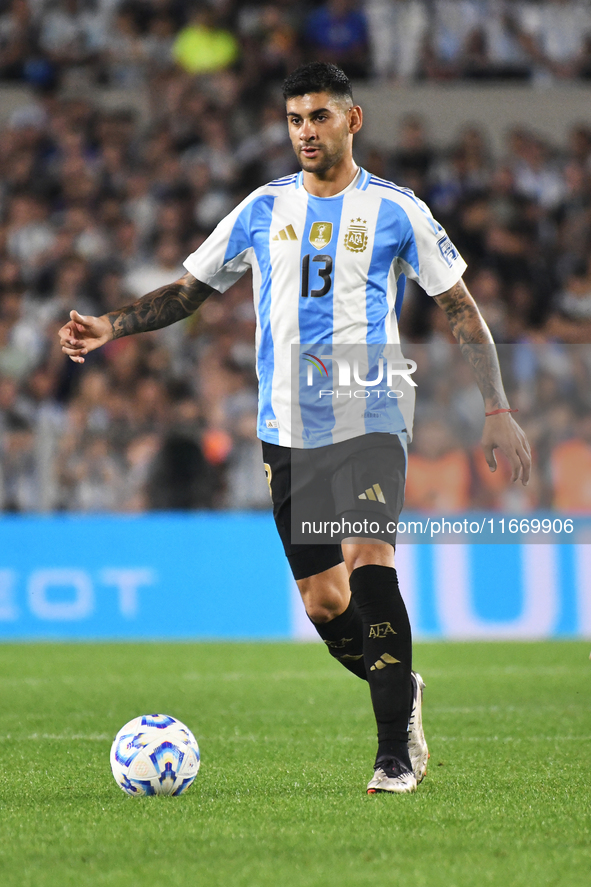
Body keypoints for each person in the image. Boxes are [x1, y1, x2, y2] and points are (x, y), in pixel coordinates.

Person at [58, 62, 531, 794]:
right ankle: (400, 684)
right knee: (324, 600)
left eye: (318, 116)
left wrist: (496, 407)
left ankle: (391, 757)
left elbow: (460, 307)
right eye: (294, 119)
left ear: (353, 120)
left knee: (370, 557)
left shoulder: (397, 211)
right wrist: (111, 325)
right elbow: (190, 290)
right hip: (285, 424)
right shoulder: (260, 209)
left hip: (369, 410)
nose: (305, 132)